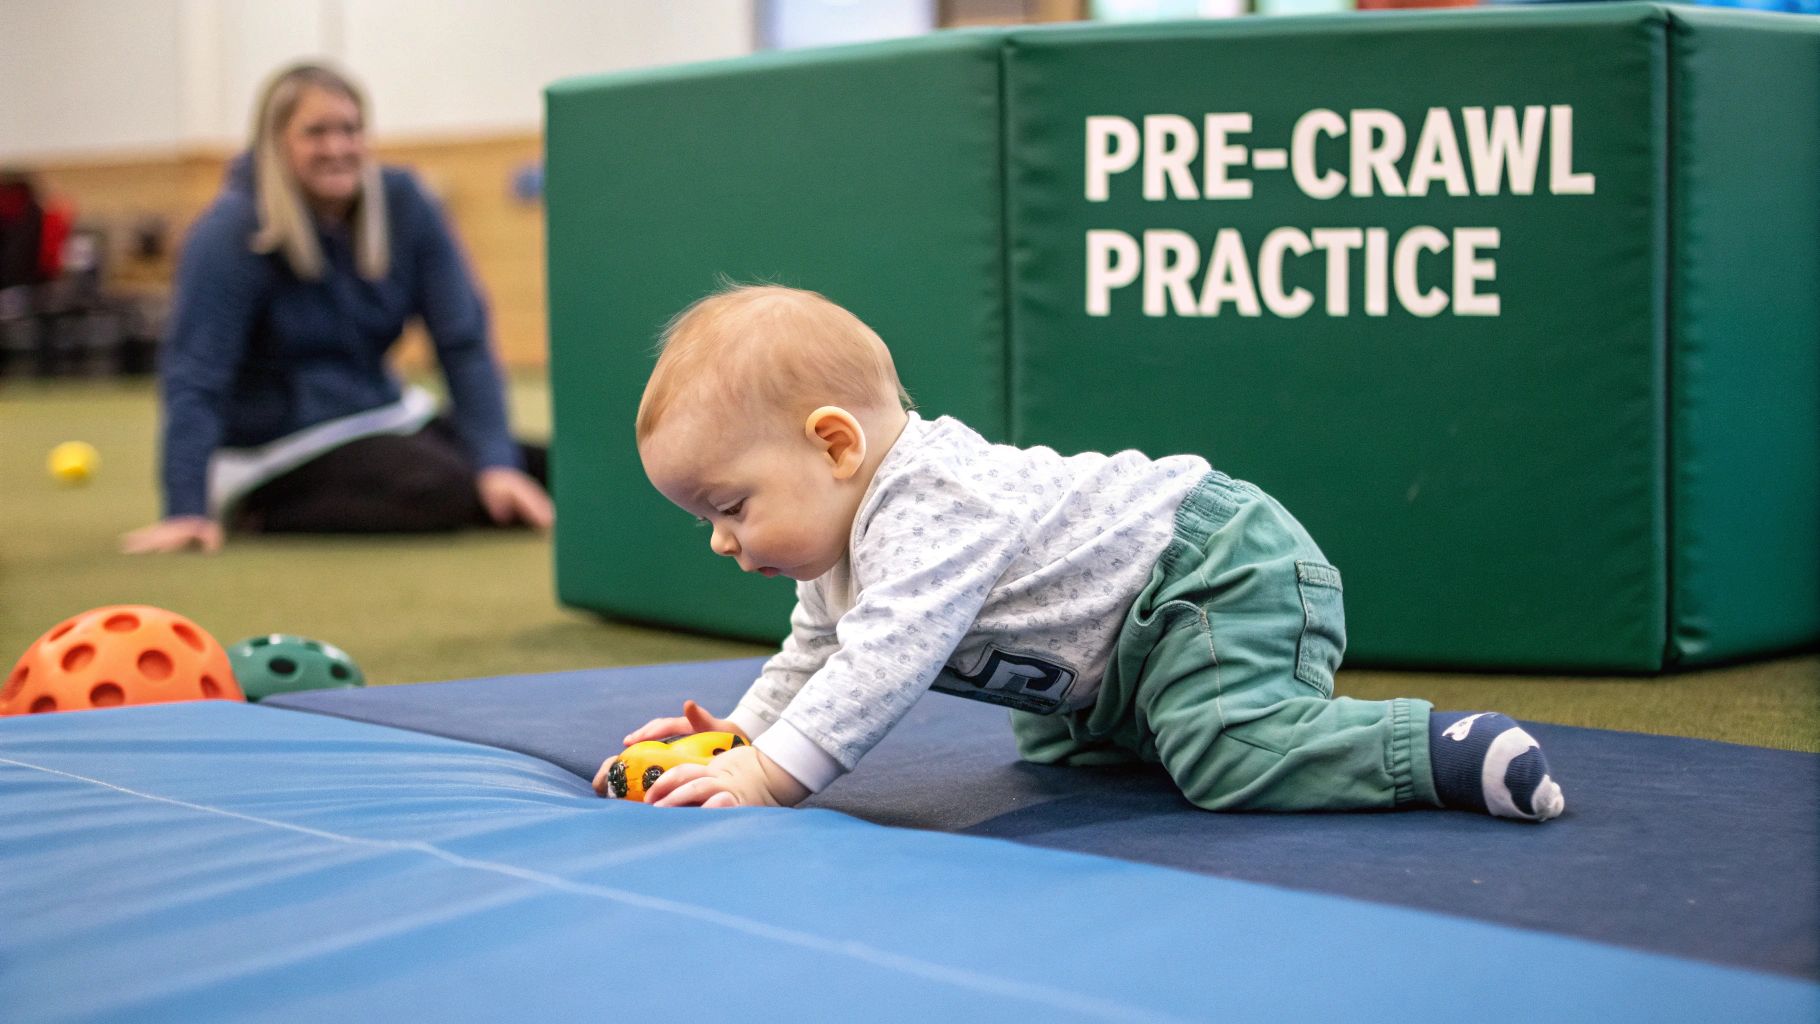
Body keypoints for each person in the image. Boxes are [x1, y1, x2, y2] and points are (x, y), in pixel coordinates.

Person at [593, 284, 1566, 823]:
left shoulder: (932, 498)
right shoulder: (837, 543)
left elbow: (879, 662)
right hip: (1112, 663)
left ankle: (1435, 751)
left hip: (1211, 574)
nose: (722, 540)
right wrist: (734, 738)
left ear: (835, 443)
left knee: (1228, 756)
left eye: (729, 506)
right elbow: (814, 655)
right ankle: (1164, 722)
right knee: (1059, 752)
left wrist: (768, 776)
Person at [121, 62, 550, 554]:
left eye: (350, 130)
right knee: (439, 487)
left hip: (381, 417)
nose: (337, 148)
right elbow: (196, 375)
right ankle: (255, 512)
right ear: (274, 141)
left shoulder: (406, 204)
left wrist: (497, 464)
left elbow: (463, 341)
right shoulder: (230, 231)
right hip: (278, 449)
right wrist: (186, 509)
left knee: (556, 470)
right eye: (315, 133)